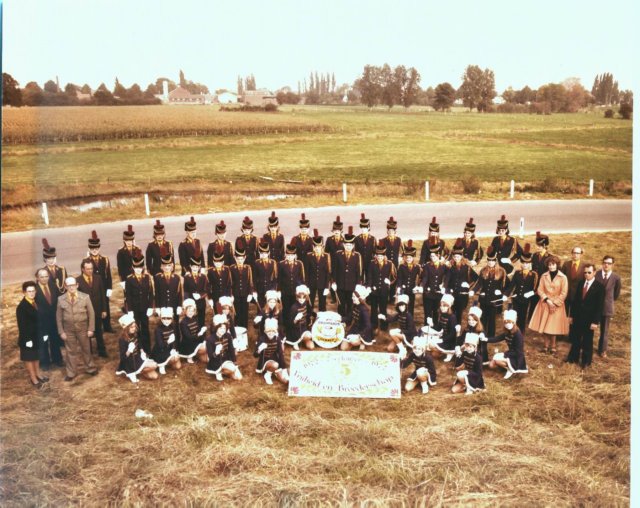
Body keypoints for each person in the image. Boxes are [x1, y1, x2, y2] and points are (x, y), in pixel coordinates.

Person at [56, 277, 99, 381]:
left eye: (73, 285)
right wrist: (61, 331)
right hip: (68, 330)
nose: (71, 287)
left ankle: (90, 368)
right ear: (65, 286)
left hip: (83, 328)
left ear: (77, 285)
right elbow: (58, 317)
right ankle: (71, 372)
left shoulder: (85, 297)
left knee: (86, 349)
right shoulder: (61, 299)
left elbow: (91, 313)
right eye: (69, 285)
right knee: (70, 351)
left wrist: (91, 329)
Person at [528, 255, 569, 355]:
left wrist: (554, 303)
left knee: (553, 327)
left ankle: (553, 346)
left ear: (557, 265)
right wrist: (547, 300)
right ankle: (546, 346)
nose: (551, 267)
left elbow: (564, 293)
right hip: (545, 303)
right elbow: (540, 289)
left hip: (557, 306)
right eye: (549, 265)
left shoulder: (563, 277)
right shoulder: (544, 276)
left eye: (553, 264)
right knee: (545, 326)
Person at [566, 264, 605, 369]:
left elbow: (599, 307)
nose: (587, 274)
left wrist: (595, 322)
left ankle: (586, 361)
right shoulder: (581, 283)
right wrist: (571, 316)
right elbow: (575, 301)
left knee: (587, 340)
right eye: (585, 273)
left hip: (589, 319)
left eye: (589, 272)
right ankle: (572, 358)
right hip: (578, 317)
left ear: (594, 272)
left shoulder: (599, 287)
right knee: (576, 338)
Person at [471, 246, 507, 355]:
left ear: (495, 261)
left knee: (492, 317)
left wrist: (502, 293)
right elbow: (479, 283)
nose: (491, 263)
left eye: (493, 261)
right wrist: (474, 290)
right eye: (489, 261)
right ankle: (482, 331)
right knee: (483, 316)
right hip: (484, 297)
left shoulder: (501, 271)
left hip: (494, 299)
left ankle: (490, 336)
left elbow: (505, 285)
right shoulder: (483, 270)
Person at [17, 281, 48, 388]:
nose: (31, 293)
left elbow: (42, 320)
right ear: (24, 292)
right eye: (29, 291)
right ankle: (33, 378)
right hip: (28, 339)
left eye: (33, 291)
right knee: (29, 358)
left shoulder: (36, 303)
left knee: (36, 356)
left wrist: (44, 333)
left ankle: (38, 374)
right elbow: (22, 326)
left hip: (37, 336)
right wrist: (27, 340)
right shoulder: (21, 307)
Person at [34, 268, 64, 370]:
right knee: (44, 342)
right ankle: (45, 362)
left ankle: (57, 359)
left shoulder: (52, 285)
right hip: (42, 322)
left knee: (55, 339)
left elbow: (59, 300)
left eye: (46, 276)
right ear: (37, 278)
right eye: (41, 277)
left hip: (54, 320)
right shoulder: (34, 290)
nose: (44, 279)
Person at [77, 258, 108, 357]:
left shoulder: (98, 278)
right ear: (82, 269)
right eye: (88, 269)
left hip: (98, 310)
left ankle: (102, 351)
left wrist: (104, 309)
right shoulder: (78, 281)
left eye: (91, 268)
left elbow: (102, 295)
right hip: (85, 312)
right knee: (87, 333)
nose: (90, 271)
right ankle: (88, 352)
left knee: (99, 331)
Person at [485, 309, 528, 379]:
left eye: (510, 322)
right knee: (491, 365)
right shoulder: (507, 332)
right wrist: (486, 339)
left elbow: (518, 352)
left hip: (516, 357)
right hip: (510, 354)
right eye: (506, 323)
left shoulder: (517, 334)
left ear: (514, 322)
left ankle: (510, 369)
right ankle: (505, 367)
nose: (507, 325)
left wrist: (505, 355)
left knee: (496, 360)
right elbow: (497, 338)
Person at [124, 254, 155, 353]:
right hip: (135, 308)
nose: (138, 269)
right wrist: (130, 310)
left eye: (140, 267)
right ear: (133, 267)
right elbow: (127, 296)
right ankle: (138, 349)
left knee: (145, 328)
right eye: (136, 267)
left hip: (145, 308)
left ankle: (147, 350)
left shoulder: (147, 277)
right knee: (135, 329)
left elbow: (151, 293)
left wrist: (150, 307)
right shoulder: (129, 279)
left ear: (143, 267)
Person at [115, 313, 158, 383]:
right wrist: (129, 350)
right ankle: (133, 372)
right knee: (154, 365)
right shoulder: (122, 339)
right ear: (126, 328)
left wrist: (142, 351)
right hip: (129, 361)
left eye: (134, 327)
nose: (134, 329)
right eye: (131, 327)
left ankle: (140, 371)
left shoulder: (134, 333)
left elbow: (139, 342)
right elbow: (123, 358)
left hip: (137, 358)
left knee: (155, 375)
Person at [505, 243, 538, 335]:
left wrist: (528, 294)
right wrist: (506, 295)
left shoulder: (534, 275)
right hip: (516, 298)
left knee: (522, 317)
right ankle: (512, 331)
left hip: (525, 300)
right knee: (514, 315)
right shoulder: (517, 273)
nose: (525, 265)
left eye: (527, 263)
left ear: (530, 264)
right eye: (523, 263)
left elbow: (535, 289)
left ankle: (521, 332)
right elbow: (512, 285)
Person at [85, 230, 114, 333]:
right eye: (92, 249)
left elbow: (109, 275)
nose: (94, 250)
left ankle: (107, 326)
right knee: (94, 308)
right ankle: (97, 327)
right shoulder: (86, 261)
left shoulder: (105, 259)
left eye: (96, 248)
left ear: (99, 248)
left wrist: (110, 288)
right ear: (89, 249)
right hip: (93, 288)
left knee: (105, 306)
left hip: (104, 287)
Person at [595, 255, 622, 359]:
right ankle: (586, 347)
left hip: (607, 308)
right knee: (590, 327)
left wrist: (608, 302)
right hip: (595, 307)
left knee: (604, 330)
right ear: (602, 263)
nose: (606, 265)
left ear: (612, 265)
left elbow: (616, 294)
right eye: (605, 262)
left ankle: (602, 350)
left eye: (609, 263)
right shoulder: (596, 274)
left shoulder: (616, 277)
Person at [332, 227, 363, 318]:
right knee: (341, 303)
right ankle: (341, 319)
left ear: (353, 246)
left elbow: (359, 271)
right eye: (346, 245)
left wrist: (358, 284)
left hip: (351, 285)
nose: (348, 247)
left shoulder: (357, 256)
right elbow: (335, 269)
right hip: (340, 284)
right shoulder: (338, 254)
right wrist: (333, 282)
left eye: (350, 245)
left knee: (350, 304)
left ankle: (349, 320)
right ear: (343, 245)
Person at [446, 239, 478, 324]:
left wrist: (468, 285)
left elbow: (476, 277)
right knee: (451, 312)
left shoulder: (466, 267)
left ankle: (458, 328)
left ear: (461, 256)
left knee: (459, 313)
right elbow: (447, 279)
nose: (456, 258)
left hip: (462, 295)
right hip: (452, 293)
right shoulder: (450, 266)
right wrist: (447, 289)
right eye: (455, 257)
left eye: (458, 257)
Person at [368, 240, 397, 331]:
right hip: (374, 290)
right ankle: (374, 324)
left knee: (383, 308)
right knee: (373, 308)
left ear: (384, 256)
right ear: (375, 255)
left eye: (381, 256)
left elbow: (394, 276)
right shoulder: (372, 263)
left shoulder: (389, 264)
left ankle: (384, 325)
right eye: (378, 256)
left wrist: (389, 282)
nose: (379, 257)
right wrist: (369, 286)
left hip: (384, 291)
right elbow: (369, 276)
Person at [205, 314, 242, 381]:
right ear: (216, 328)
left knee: (239, 378)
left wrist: (234, 361)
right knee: (232, 369)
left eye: (224, 328)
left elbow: (231, 349)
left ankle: (224, 371)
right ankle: (218, 372)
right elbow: (210, 356)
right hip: (215, 361)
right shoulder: (210, 339)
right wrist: (216, 352)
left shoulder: (228, 336)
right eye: (220, 328)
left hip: (226, 359)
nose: (223, 330)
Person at [420, 242, 449, 327]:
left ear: (438, 256)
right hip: (428, 294)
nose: (432, 258)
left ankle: (435, 329)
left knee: (436, 313)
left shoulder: (444, 266)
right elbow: (425, 277)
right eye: (431, 256)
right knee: (428, 314)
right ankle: (426, 329)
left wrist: (444, 285)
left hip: (438, 294)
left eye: (434, 256)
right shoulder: (427, 266)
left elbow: (448, 276)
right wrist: (422, 286)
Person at [278, 242, 306, 327]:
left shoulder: (299, 264)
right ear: (286, 255)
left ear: (295, 255)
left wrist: (301, 288)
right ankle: (287, 327)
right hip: (285, 291)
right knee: (286, 309)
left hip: (295, 292)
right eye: (288, 255)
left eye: (292, 255)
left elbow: (301, 278)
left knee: (295, 309)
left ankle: (295, 325)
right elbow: (279, 279)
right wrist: (278, 290)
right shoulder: (281, 264)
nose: (290, 257)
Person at [254, 317, 288, 385]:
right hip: (265, 361)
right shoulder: (262, 339)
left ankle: (280, 376)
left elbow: (280, 354)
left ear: (275, 331)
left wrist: (283, 367)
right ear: (265, 331)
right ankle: (268, 374)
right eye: (268, 331)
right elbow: (255, 355)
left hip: (275, 359)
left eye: (272, 331)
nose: (270, 333)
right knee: (275, 365)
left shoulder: (277, 339)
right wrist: (259, 350)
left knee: (285, 380)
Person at [528, 231, 552, 322]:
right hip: (534, 284)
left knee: (542, 303)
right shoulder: (534, 255)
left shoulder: (549, 258)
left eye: (539, 246)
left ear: (545, 246)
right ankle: (531, 319)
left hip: (544, 284)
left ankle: (541, 320)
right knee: (533, 302)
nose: (537, 247)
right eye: (537, 245)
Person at [305, 230, 331, 312]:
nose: (317, 249)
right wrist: (307, 285)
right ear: (313, 247)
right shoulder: (309, 256)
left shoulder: (326, 257)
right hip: (311, 284)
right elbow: (307, 272)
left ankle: (322, 319)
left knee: (322, 304)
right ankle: (309, 319)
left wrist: (327, 286)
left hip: (322, 284)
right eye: (315, 247)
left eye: (319, 247)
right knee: (310, 303)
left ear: (322, 247)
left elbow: (328, 273)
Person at [229, 248, 256, 328]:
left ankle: (244, 329)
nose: (240, 261)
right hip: (235, 294)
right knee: (236, 313)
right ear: (235, 258)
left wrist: (250, 293)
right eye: (238, 259)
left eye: (241, 259)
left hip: (245, 294)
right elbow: (230, 283)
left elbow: (250, 282)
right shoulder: (232, 268)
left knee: (244, 313)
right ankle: (237, 330)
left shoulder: (248, 268)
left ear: (244, 258)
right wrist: (231, 294)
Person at [340, 285, 373, 350]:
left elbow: (368, 326)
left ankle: (361, 343)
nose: (352, 298)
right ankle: (356, 344)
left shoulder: (364, 310)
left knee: (354, 342)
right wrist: (339, 319)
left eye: (354, 297)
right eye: (352, 296)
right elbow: (349, 318)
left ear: (359, 298)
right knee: (343, 348)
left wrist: (359, 336)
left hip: (363, 332)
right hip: (355, 329)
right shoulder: (355, 306)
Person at [152, 307, 182, 375]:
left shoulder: (173, 326)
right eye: (164, 318)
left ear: (171, 319)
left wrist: (174, 348)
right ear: (161, 319)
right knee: (165, 358)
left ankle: (168, 362)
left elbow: (175, 340)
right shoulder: (158, 329)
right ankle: (162, 365)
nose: (166, 320)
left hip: (169, 349)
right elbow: (160, 345)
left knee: (178, 366)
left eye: (168, 318)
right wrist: (168, 341)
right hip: (160, 351)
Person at [178, 299, 209, 364]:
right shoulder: (183, 322)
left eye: (192, 310)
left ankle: (197, 354)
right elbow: (188, 337)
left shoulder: (195, 319)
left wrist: (203, 338)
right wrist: (200, 334)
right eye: (189, 310)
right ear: (185, 311)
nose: (191, 312)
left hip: (196, 341)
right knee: (206, 347)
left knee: (206, 359)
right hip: (188, 344)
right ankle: (189, 356)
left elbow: (198, 331)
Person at [182, 257, 209, 329]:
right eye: (193, 266)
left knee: (201, 321)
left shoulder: (203, 277)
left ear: (199, 267)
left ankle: (202, 336)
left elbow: (206, 290)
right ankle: (194, 337)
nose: (195, 268)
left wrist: (200, 296)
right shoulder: (187, 277)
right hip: (191, 304)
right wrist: (187, 304)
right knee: (192, 322)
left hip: (201, 303)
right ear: (190, 266)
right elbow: (186, 291)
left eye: (197, 267)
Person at [154, 254, 183, 319]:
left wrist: (179, 305)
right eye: (165, 266)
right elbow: (157, 293)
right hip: (163, 305)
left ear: (172, 267)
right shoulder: (158, 277)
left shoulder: (176, 277)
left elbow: (179, 293)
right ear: (161, 267)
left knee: (175, 324)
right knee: (163, 324)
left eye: (169, 265)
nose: (167, 268)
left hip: (174, 305)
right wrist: (158, 307)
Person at [286, 285, 316, 350]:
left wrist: (315, 315)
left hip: (304, 328)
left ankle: (303, 340)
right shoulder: (293, 307)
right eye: (299, 297)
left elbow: (309, 312)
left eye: (304, 297)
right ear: (297, 297)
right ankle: (296, 342)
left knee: (311, 346)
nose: (302, 299)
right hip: (295, 331)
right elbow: (291, 324)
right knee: (308, 336)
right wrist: (296, 319)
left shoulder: (306, 303)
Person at [430, 293, 458, 362]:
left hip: (450, 341)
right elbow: (439, 328)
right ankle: (442, 352)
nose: (442, 307)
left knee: (434, 354)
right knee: (431, 349)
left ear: (449, 306)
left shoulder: (452, 317)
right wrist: (431, 325)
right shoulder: (442, 315)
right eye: (441, 305)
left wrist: (442, 340)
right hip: (444, 337)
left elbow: (452, 334)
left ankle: (450, 352)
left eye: (444, 306)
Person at [396, 241, 421, 315]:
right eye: (407, 258)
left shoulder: (416, 267)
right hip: (403, 289)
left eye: (410, 258)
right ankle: (402, 318)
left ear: (413, 258)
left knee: (411, 305)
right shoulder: (401, 267)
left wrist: (418, 286)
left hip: (412, 289)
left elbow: (420, 277)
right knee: (403, 304)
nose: (408, 259)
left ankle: (410, 318)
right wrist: (399, 287)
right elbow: (399, 278)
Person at [116, 225, 142, 295]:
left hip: (137, 275)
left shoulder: (137, 249)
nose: (129, 243)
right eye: (127, 241)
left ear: (133, 240)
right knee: (127, 295)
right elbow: (120, 268)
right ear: (124, 241)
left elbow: (141, 264)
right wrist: (122, 281)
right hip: (126, 277)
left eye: (130, 240)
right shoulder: (121, 252)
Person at [382, 217, 403, 302]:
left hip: (395, 263)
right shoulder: (383, 240)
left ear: (395, 232)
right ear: (387, 231)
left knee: (394, 279)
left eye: (392, 231)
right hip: (386, 263)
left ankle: (392, 297)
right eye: (389, 231)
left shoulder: (398, 240)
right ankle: (385, 296)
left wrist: (400, 257)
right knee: (386, 279)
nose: (391, 233)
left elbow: (402, 251)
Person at [324, 216, 344, 304]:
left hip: (341, 264)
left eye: (338, 231)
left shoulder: (345, 240)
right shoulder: (329, 240)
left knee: (340, 279)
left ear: (341, 232)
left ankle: (339, 295)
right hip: (331, 263)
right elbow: (326, 252)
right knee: (332, 279)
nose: (336, 233)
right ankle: (333, 297)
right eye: (335, 231)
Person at [561, 246, 585, 316]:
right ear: (571, 254)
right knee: (564, 314)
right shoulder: (566, 264)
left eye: (578, 253)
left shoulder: (585, 266)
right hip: (566, 294)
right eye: (574, 253)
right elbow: (562, 277)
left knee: (574, 315)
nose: (575, 255)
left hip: (578, 295)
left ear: (581, 254)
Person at [253, 242, 278, 309]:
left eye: (265, 253)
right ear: (259, 253)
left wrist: (273, 290)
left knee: (270, 308)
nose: (263, 255)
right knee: (260, 308)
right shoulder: (257, 262)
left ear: (268, 253)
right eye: (261, 253)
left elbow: (275, 278)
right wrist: (254, 291)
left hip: (270, 288)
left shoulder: (273, 262)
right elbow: (254, 278)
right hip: (260, 289)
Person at [355, 213, 376, 285]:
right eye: (362, 228)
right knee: (359, 278)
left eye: (365, 228)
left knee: (369, 277)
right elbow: (356, 252)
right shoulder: (357, 238)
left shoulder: (372, 239)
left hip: (369, 262)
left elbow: (375, 251)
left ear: (368, 228)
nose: (363, 230)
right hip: (360, 262)